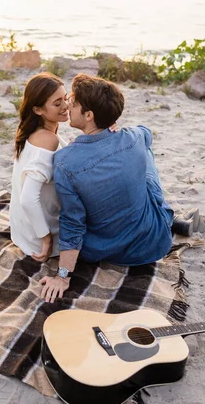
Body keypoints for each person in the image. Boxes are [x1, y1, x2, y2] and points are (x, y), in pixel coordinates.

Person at [40, 73, 174, 303]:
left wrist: (63, 277)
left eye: (74, 101)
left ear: (89, 115)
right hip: (155, 241)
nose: (69, 104)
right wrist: (113, 125)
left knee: (136, 160)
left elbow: (72, 223)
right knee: (145, 154)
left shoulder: (64, 161)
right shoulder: (133, 136)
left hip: (107, 250)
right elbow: (147, 133)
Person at [9, 72, 69, 263]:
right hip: (39, 238)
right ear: (38, 110)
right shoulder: (47, 140)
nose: (65, 106)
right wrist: (46, 238)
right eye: (57, 103)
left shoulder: (31, 132)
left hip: (22, 231)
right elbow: (27, 198)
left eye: (65, 98)